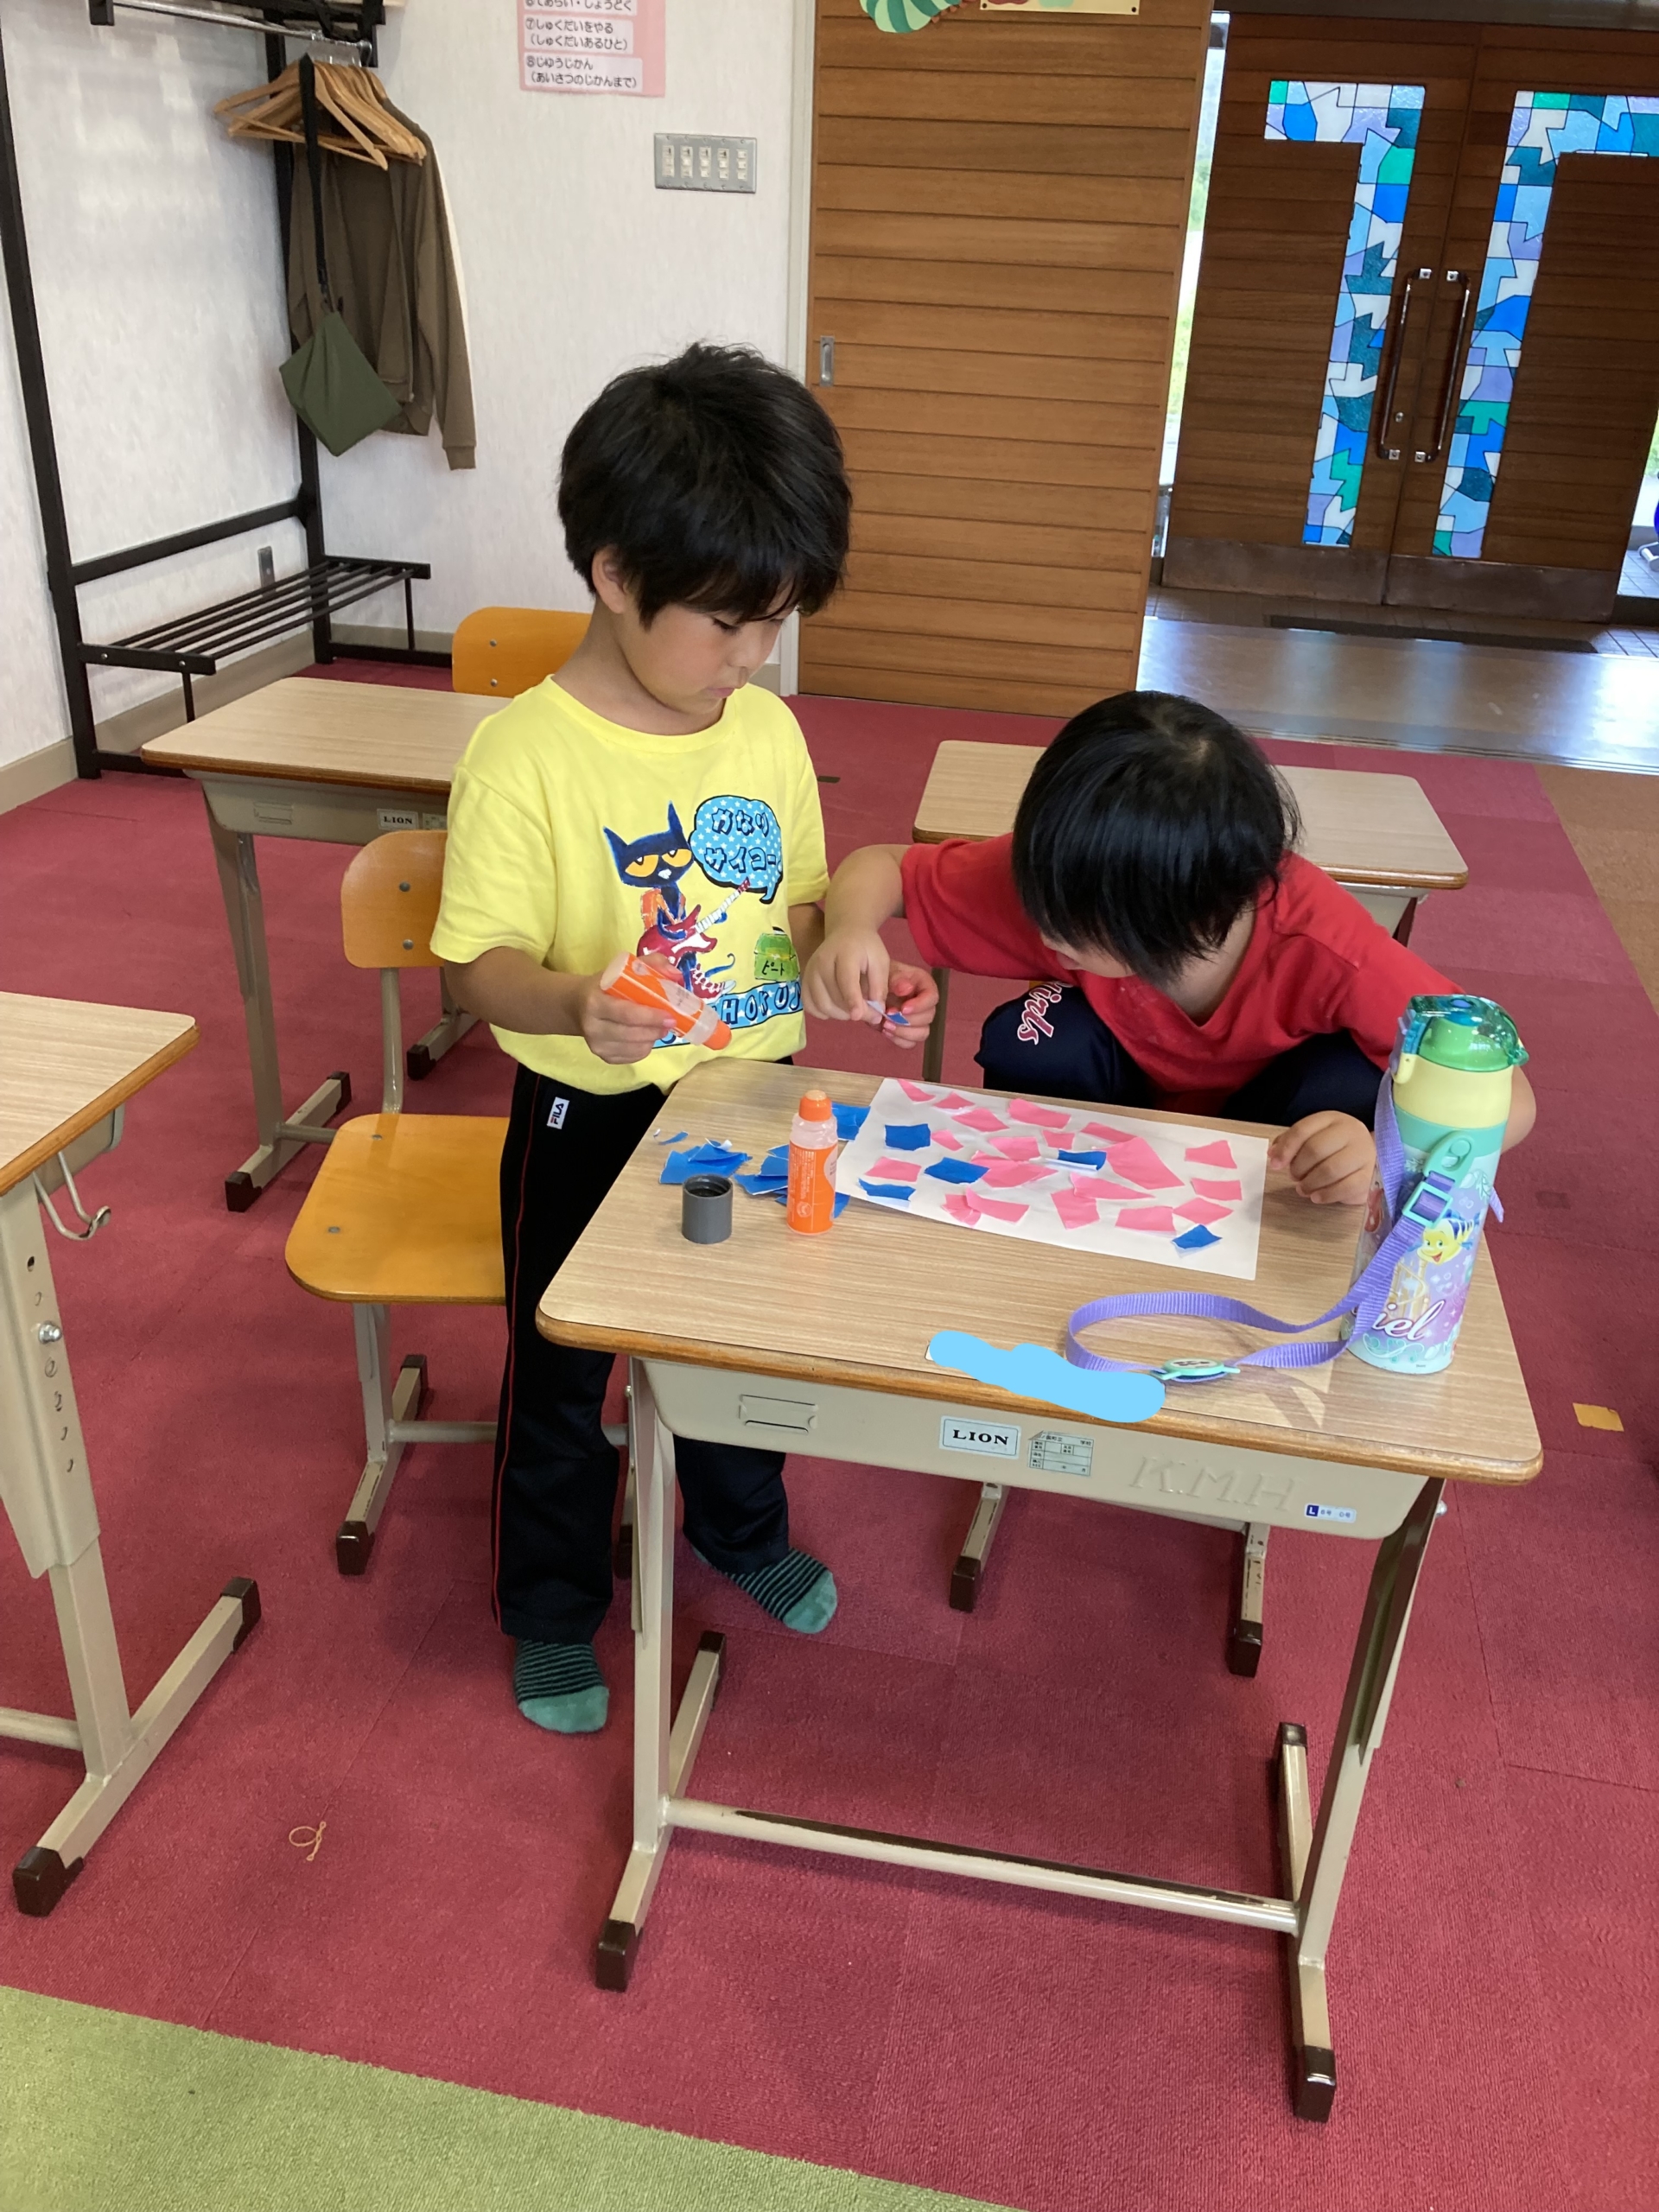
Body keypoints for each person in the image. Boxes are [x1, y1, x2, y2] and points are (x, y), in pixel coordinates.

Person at [432, 344, 933, 1734]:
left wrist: (851, 957)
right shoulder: (523, 756)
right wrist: (572, 1004)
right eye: (727, 622)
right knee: (561, 1374)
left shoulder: (762, 729)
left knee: (743, 1340)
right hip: (581, 1114)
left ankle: (739, 1529)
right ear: (613, 574)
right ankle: (551, 1609)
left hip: (748, 1097)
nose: (754, 655)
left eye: (777, 621)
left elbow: (800, 905)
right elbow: (474, 966)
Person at [803, 690, 1535, 1204]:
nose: (1048, 931)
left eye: (1076, 926)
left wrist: (1381, 1157)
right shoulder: (1073, 878)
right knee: (1041, 1035)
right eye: (1042, 902)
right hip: (1107, 1122)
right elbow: (882, 867)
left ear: (1192, 918)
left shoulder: (1328, 948)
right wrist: (851, 930)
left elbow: (1512, 1096)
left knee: (1348, 1087)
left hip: (1270, 1145)